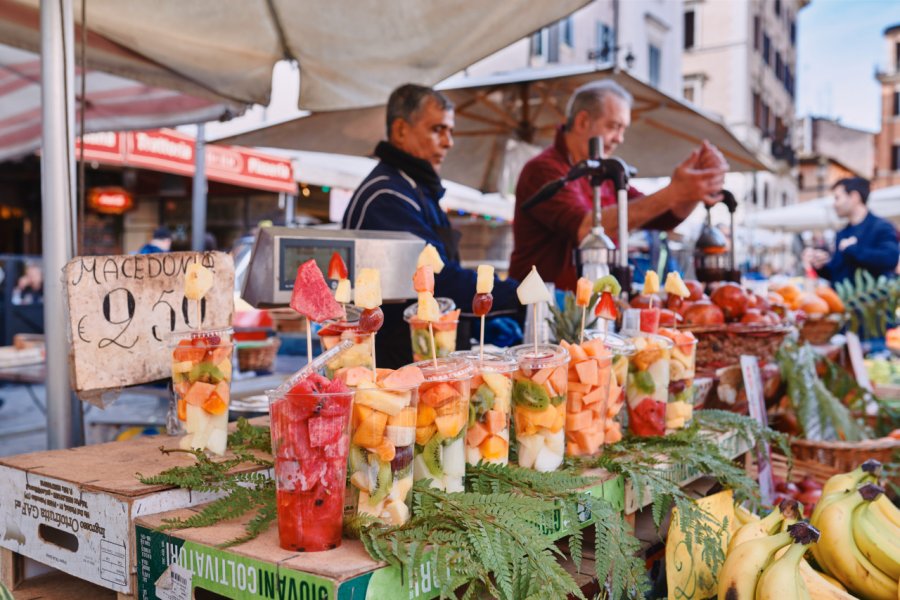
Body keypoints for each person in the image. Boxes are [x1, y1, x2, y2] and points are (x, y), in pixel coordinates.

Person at [342, 84, 520, 367]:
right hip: (398, 372)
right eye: (438, 129)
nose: (448, 142)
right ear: (401, 131)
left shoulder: (416, 191)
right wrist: (517, 296)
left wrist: (473, 324)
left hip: (431, 363)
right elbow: (437, 279)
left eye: (450, 131)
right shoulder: (387, 196)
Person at [510, 80, 729, 291]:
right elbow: (587, 230)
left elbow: (663, 217)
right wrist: (675, 191)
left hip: (593, 303)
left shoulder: (605, 173)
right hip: (541, 308)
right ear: (583, 121)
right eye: (614, 126)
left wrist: (694, 188)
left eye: (623, 129)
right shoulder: (543, 170)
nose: (620, 139)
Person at [803, 177, 899, 284]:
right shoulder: (842, 232)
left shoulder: (881, 227)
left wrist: (852, 250)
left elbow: (890, 259)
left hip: (871, 299)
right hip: (844, 299)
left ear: (854, 197)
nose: (834, 204)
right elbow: (837, 274)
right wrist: (820, 266)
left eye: (837, 198)